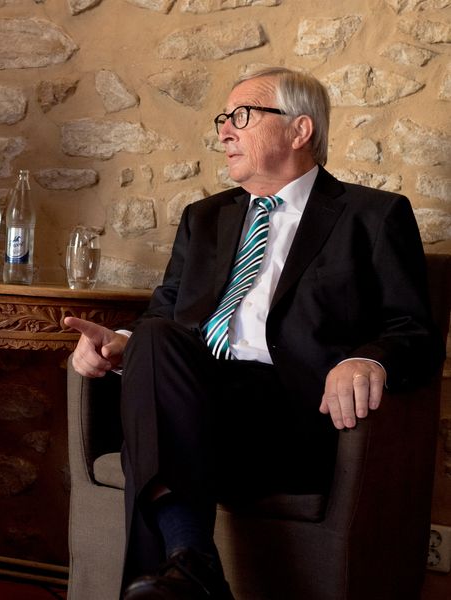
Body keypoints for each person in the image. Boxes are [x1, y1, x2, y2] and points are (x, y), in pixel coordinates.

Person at [64, 67, 443, 600]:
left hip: (290, 416)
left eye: (242, 116)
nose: (224, 131)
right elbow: (162, 315)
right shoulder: (203, 218)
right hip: (195, 400)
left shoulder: (372, 216)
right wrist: (121, 344)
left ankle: (189, 573)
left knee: (153, 419)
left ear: (299, 129)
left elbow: (415, 330)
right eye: (224, 118)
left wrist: (369, 359)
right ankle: (192, 568)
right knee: (153, 338)